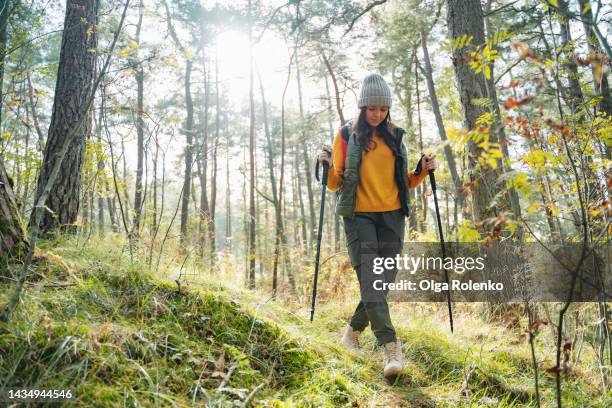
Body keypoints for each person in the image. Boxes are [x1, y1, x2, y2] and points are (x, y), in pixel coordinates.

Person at [317, 73, 437, 378]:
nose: (377, 114)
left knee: (381, 282)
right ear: (362, 107)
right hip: (359, 216)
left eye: (383, 109)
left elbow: (404, 182)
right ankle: (391, 349)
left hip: (392, 217)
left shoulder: (395, 135)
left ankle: (351, 334)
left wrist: (421, 171)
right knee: (371, 279)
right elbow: (334, 183)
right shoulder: (346, 135)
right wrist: (326, 164)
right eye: (372, 108)